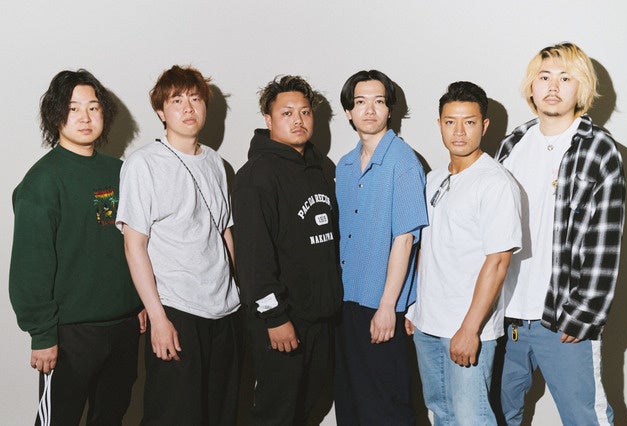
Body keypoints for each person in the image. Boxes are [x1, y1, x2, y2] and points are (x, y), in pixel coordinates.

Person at [496, 42, 625, 425]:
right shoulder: (512, 145)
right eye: (544, 76)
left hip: (561, 317)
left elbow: (605, 240)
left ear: (581, 87)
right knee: (498, 415)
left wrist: (585, 312)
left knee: (586, 418)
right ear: (531, 86)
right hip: (506, 316)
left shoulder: (599, 150)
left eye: (566, 78)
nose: (553, 86)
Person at [9, 69, 145, 425]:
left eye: (93, 108)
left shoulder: (120, 171)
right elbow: (30, 266)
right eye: (73, 108)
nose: (85, 117)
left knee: (111, 417)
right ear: (56, 115)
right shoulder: (42, 181)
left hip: (124, 327)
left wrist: (139, 302)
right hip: (70, 334)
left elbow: (131, 244)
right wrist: (42, 334)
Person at [116, 65, 241, 425]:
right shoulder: (143, 164)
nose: (188, 108)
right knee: (173, 415)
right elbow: (134, 245)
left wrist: (238, 293)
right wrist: (158, 318)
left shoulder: (216, 162)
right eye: (176, 100)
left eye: (195, 99)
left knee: (220, 415)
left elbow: (224, 232)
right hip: (177, 310)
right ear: (161, 112)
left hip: (226, 312)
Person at [405, 81, 522, 425]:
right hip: (428, 323)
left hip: (468, 327)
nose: (459, 131)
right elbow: (429, 247)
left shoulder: (496, 183)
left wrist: (470, 329)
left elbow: (498, 261)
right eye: (450, 121)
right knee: (441, 414)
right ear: (439, 124)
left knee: (472, 419)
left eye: (469, 122)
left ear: (484, 126)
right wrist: (416, 307)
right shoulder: (433, 179)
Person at [232, 75, 342, 426]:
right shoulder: (255, 176)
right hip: (282, 321)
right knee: (276, 413)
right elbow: (253, 259)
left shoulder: (320, 169)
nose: (298, 120)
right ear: (268, 119)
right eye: (287, 113)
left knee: (309, 408)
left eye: (305, 112)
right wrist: (275, 318)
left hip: (321, 319)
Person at [334, 70, 428, 425]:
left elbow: (405, 239)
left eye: (378, 101)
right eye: (360, 102)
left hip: (382, 304)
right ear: (349, 111)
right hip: (345, 302)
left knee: (386, 407)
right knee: (351, 403)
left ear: (390, 109)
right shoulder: (344, 165)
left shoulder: (403, 163)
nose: (369, 110)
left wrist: (388, 306)